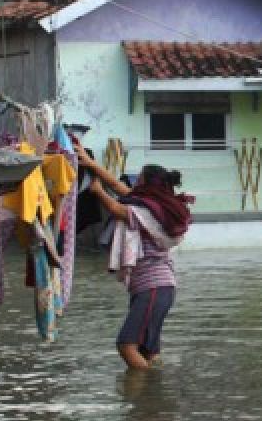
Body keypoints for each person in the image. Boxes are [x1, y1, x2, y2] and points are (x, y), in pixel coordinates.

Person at [75, 139, 193, 370]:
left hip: (153, 288)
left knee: (126, 346)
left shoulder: (145, 213)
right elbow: (119, 188)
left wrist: (98, 192)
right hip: (157, 288)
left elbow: (117, 209)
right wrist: (90, 163)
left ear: (149, 184)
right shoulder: (154, 207)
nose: (135, 182)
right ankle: (149, 402)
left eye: (139, 179)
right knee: (147, 351)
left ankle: (147, 391)